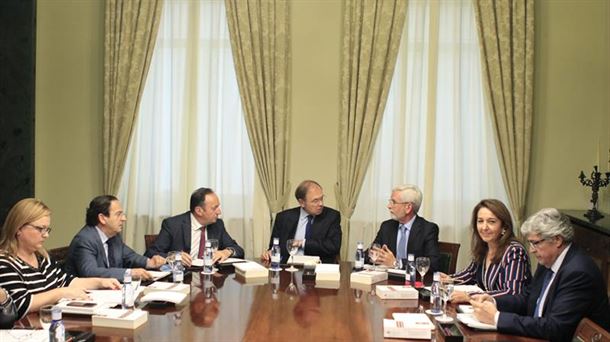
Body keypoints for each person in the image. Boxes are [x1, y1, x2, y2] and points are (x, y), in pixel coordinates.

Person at [471, 208, 610, 341]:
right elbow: (528, 297)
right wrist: (493, 301)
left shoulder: (578, 273)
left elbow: (555, 328)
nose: (531, 250)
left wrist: (497, 318)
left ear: (557, 240)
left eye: (535, 243)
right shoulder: (548, 260)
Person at [0, 198, 120, 319]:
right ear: (18, 228)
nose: (46, 235)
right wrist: (61, 292)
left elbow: (66, 281)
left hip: (50, 323)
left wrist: (101, 282)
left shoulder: (42, 257)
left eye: (47, 229)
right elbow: (20, 304)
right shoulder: (5, 263)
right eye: (40, 229)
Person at [442, 199, 531, 303]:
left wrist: (469, 296)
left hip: (507, 314)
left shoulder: (514, 251)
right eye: (480, 221)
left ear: (504, 226)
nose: (484, 227)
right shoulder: (485, 246)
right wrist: (449, 279)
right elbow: (471, 273)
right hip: (485, 310)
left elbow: (512, 292)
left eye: (491, 222)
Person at [64, 195, 166, 281]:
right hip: (84, 297)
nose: (124, 218)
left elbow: (130, 256)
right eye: (118, 214)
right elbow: (90, 272)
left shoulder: (114, 236)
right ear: (102, 218)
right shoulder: (85, 240)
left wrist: (149, 262)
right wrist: (130, 273)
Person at [144, 187, 244, 266]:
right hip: (182, 278)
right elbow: (150, 253)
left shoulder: (217, 225)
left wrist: (226, 252)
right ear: (199, 211)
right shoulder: (172, 225)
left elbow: (238, 250)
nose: (219, 212)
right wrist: (174, 257)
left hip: (210, 278)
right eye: (215, 208)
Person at [261, 180, 341, 264]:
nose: (321, 203)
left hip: (318, 269)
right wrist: (269, 253)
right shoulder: (283, 218)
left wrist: (303, 243)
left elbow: (333, 246)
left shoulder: (331, 216)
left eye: (321, 198)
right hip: (288, 268)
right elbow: (274, 246)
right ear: (302, 202)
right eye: (315, 201)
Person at [368, 184, 440, 271]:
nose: (389, 206)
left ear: (408, 207)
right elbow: (371, 253)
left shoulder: (428, 229)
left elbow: (433, 263)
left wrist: (397, 263)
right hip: (386, 279)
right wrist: (373, 255)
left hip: (413, 281)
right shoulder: (387, 226)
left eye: (393, 202)